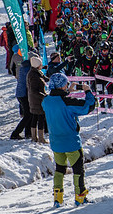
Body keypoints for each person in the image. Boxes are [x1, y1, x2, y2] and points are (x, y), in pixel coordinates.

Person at [41, 73, 96, 207]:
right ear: (61, 85)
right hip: (71, 142)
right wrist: (87, 91)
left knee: (59, 169)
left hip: (56, 143)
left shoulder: (46, 101)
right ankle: (80, 197)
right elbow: (88, 106)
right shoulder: (67, 102)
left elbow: (57, 102)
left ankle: (57, 199)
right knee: (78, 170)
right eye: (66, 83)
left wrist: (66, 92)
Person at [10, 46, 32, 140]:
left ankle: (28, 133)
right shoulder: (28, 72)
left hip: (21, 93)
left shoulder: (23, 69)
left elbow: (11, 67)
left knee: (28, 113)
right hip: (24, 94)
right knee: (28, 115)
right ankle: (15, 133)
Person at [27, 56, 48, 143]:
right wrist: (44, 96)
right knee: (40, 118)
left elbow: (45, 78)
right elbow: (34, 90)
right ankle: (41, 138)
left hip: (33, 99)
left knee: (34, 117)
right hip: (37, 100)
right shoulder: (34, 76)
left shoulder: (35, 72)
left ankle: (34, 137)